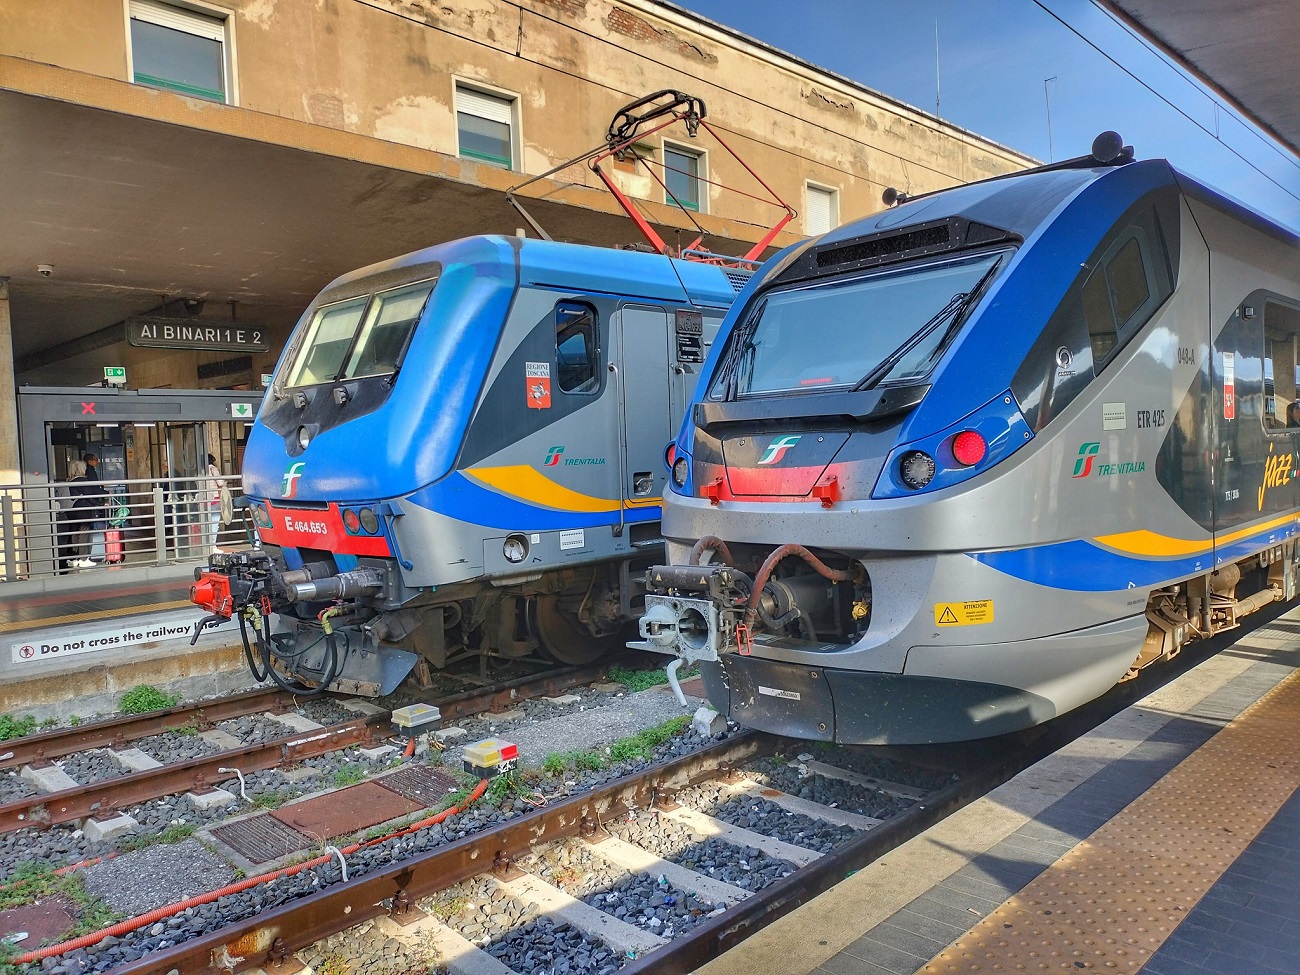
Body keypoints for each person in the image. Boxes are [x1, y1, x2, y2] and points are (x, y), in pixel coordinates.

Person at [67, 460, 107, 568]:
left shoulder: (70, 481)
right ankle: (84, 559)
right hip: (83, 510)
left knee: (74, 533)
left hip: (71, 511)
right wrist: (102, 503)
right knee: (85, 533)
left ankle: (74, 558)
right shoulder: (82, 481)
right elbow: (90, 496)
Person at [206, 453, 227, 554]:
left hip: (203, 500)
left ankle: (205, 545)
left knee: (206, 523)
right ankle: (212, 545)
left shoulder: (200, 470)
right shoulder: (212, 468)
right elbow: (220, 482)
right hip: (213, 498)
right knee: (214, 523)